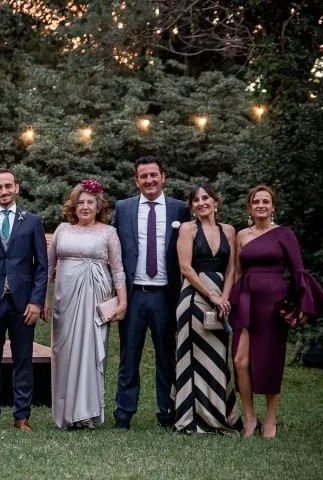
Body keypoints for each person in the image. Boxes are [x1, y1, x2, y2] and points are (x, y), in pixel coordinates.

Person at [230, 185, 323, 438]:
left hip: (273, 303)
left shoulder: (285, 234)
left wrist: (305, 307)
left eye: (266, 201)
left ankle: (270, 420)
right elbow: (236, 272)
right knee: (239, 360)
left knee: (270, 361)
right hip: (246, 300)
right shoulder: (241, 235)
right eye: (256, 202)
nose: (261, 205)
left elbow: (298, 271)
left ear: (273, 207)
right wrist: (229, 299)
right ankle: (250, 419)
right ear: (249, 207)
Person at [112, 156, 190, 430]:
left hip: (166, 295)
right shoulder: (123, 208)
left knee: (167, 356)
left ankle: (168, 411)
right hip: (133, 295)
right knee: (128, 355)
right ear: (136, 180)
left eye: (153, 175)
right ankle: (123, 413)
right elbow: (113, 250)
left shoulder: (180, 209)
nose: (149, 180)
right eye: (143, 176)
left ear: (163, 177)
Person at [0, 168, 48, 431]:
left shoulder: (32, 221)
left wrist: (36, 301)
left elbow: (42, 266)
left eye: (8, 186)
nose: (3, 191)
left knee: (22, 358)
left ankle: (22, 415)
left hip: (23, 302)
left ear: (17, 188)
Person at [46, 180, 127, 429]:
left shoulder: (108, 232)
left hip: (96, 300)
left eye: (90, 202)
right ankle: (66, 413)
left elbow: (117, 269)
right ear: (73, 205)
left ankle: (87, 414)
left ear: (98, 205)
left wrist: (122, 302)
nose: (85, 206)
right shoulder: (62, 230)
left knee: (91, 352)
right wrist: (41, 299)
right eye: (80, 202)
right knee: (64, 352)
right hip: (65, 301)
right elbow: (48, 268)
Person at [172, 184, 242, 433]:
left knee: (218, 357)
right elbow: (186, 268)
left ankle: (221, 415)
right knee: (192, 357)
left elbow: (232, 268)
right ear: (191, 206)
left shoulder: (230, 231)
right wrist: (211, 295)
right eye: (196, 200)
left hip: (222, 298)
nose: (201, 202)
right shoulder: (188, 229)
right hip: (194, 297)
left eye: (206, 198)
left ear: (215, 201)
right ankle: (191, 419)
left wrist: (224, 297)